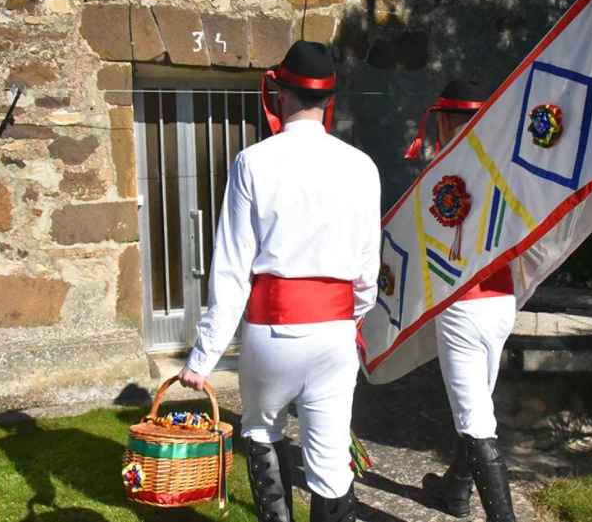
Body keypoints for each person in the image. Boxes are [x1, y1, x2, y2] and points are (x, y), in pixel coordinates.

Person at [177, 40, 381, 522]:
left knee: (262, 433)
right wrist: (349, 318)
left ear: (279, 93)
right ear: (329, 100)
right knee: (331, 465)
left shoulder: (254, 161)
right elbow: (368, 271)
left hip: (272, 334)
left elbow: (231, 268)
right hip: (333, 333)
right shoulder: (362, 167)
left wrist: (202, 358)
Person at [407, 80, 517, 522]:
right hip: (502, 300)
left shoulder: (440, 172)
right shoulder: (506, 167)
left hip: (462, 304)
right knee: (477, 403)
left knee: (475, 419)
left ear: (447, 119)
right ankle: (455, 491)